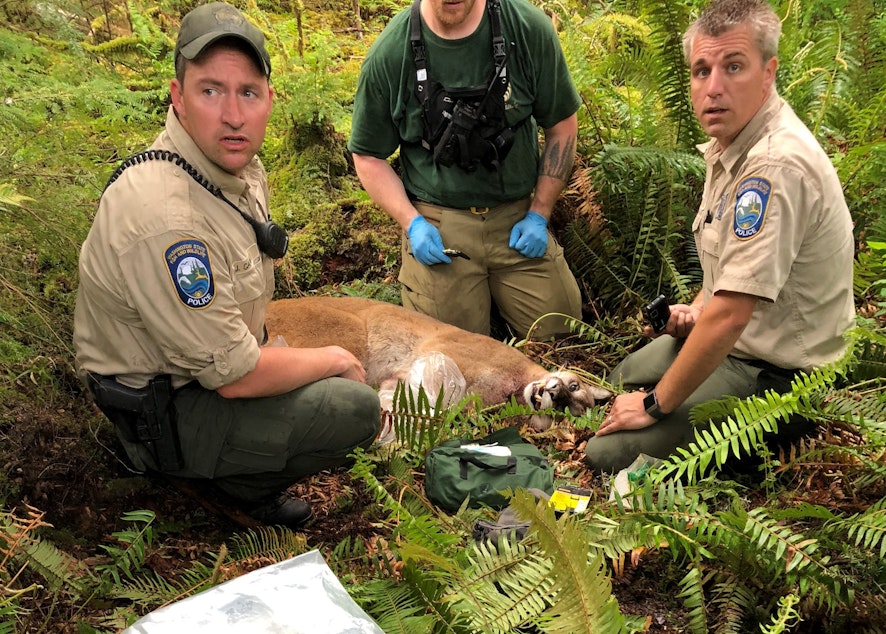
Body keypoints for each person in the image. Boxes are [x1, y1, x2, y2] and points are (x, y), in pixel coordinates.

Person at [73, 2, 380, 529]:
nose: (233, 115)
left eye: (248, 93)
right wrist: (332, 357)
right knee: (355, 409)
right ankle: (225, 487)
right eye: (210, 91)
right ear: (179, 98)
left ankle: (229, 467)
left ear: (268, 100)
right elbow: (233, 376)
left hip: (193, 375)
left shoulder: (229, 167)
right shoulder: (167, 217)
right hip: (163, 414)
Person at [584, 0, 855, 472]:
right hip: (741, 340)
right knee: (621, 376)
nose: (713, 88)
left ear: (768, 73)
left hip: (782, 378)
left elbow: (731, 316)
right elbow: (723, 288)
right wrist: (695, 310)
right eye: (701, 70)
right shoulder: (734, 142)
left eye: (734, 67)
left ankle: (781, 437)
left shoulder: (774, 166)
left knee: (606, 453)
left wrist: (652, 406)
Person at [348, 0, 583, 339]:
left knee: (565, 335)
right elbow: (367, 156)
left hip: (517, 218)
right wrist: (412, 223)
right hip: (440, 226)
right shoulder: (390, 53)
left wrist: (540, 212)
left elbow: (562, 125)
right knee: (450, 360)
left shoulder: (528, 29)